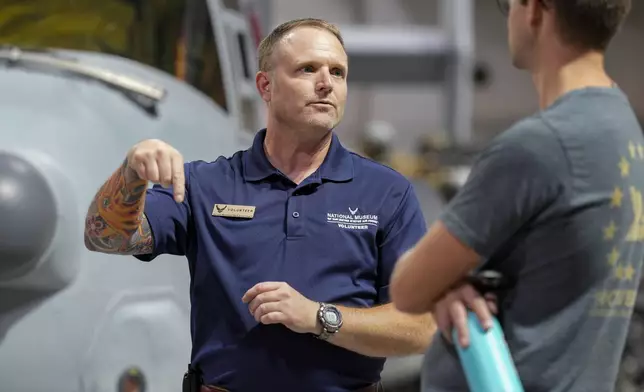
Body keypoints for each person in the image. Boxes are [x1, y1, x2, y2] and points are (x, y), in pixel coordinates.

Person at [84, 18, 435, 392]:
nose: (326, 83)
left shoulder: (386, 193)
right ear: (265, 86)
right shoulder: (206, 185)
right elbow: (105, 237)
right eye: (307, 69)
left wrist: (319, 317)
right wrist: (131, 174)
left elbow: (421, 327)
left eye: (338, 72)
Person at [389, 0, 641, 391]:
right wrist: (452, 283)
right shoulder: (623, 127)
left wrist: (442, 282)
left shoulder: (537, 147)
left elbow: (406, 287)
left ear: (536, 11)